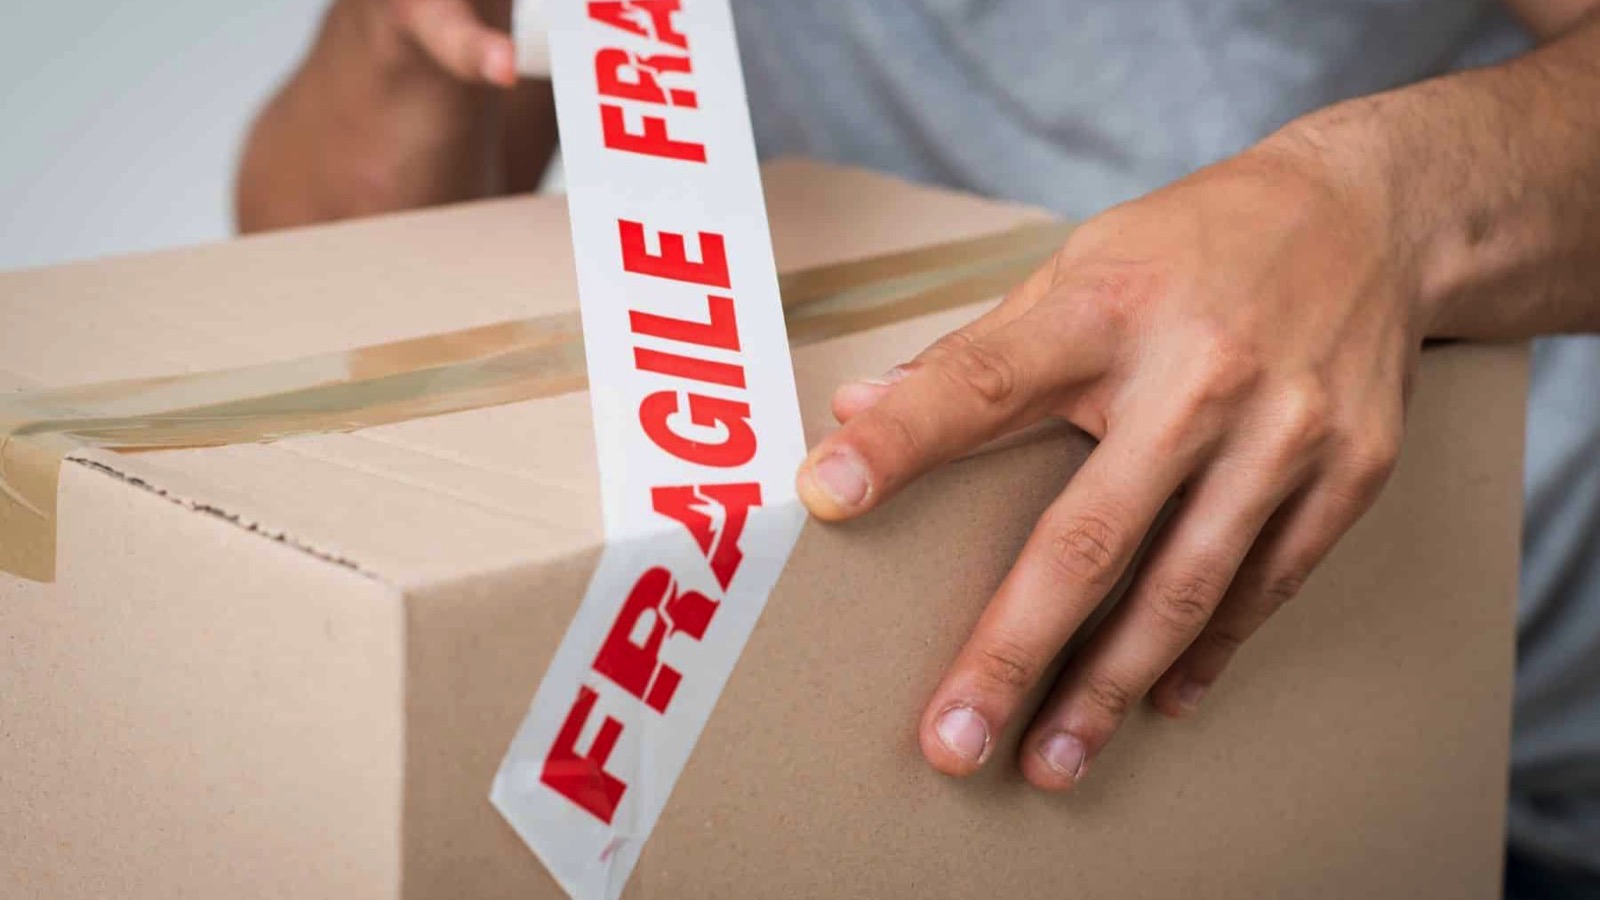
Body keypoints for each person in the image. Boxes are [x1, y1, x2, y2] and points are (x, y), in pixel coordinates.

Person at [237, 2, 1600, 895]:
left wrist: (1388, 204)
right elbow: (319, 331)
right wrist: (390, 38)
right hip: (858, 780)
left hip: (1470, 750)